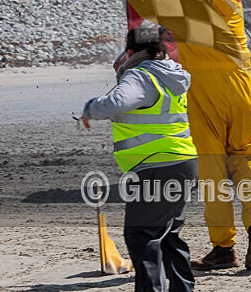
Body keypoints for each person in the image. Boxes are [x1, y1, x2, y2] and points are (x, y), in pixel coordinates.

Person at [121, 0, 251, 271]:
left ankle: (223, 249)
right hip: (242, 90)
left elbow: (142, 0)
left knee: (213, 171)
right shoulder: (233, 5)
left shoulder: (186, 6)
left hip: (206, 95)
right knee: (246, 160)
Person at [82, 25, 198, 292]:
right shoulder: (172, 74)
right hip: (184, 163)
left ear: (131, 51)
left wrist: (90, 108)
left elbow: (116, 103)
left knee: (141, 235)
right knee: (168, 235)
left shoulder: (141, 75)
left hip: (154, 167)